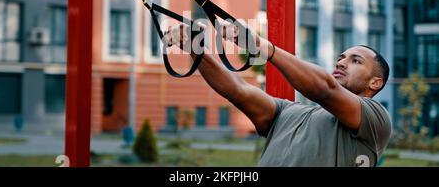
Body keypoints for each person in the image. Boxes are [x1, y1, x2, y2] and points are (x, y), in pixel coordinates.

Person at [163, 22, 392, 167]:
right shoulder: (288, 112)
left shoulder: (375, 119)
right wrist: (195, 48)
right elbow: (238, 90)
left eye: (356, 61)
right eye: (341, 57)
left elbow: (325, 90)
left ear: (375, 82)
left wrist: (262, 47)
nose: (342, 62)